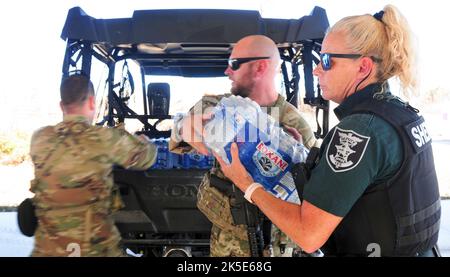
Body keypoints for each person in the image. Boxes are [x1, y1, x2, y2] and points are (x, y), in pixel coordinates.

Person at [214, 5, 441, 257]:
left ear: (363, 68)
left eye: (326, 61)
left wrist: (247, 184)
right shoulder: (401, 114)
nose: (316, 69)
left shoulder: (359, 130)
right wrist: (308, 156)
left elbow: (308, 236)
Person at [169, 35, 319, 257]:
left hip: (277, 246)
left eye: (234, 64)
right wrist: (183, 126)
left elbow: (313, 195)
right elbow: (180, 133)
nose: (227, 72)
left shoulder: (295, 124)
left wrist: (297, 164)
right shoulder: (219, 107)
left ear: (260, 67)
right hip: (228, 246)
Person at [29, 74, 157, 256]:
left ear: (61, 105)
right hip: (95, 248)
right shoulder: (105, 138)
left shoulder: (39, 138)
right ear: (91, 102)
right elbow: (147, 158)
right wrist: (145, 142)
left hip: (47, 249)